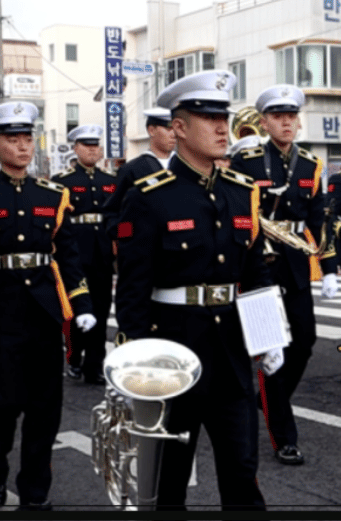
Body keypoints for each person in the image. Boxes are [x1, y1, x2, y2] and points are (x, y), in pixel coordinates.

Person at [115, 70, 279, 510]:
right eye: (209, 119)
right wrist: (137, 364)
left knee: (242, 473)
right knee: (169, 479)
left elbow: (254, 272)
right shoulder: (149, 197)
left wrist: (267, 336)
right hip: (174, 354)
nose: (222, 128)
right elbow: (132, 291)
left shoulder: (241, 192)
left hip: (230, 354)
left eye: (224, 117)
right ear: (180, 128)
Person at [0, 101, 95, 511]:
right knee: (4, 405)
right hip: (2, 312)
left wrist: (81, 302)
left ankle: (35, 491)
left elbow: (68, 256)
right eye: (12, 139)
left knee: (44, 410)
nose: (22, 146)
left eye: (27, 138)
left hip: (45, 313)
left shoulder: (53, 195)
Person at [229, 84, 338, 466]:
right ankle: (284, 437)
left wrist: (328, 269)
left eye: (291, 116)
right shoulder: (247, 159)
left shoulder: (310, 164)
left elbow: (318, 219)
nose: (286, 122)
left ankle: (268, 399)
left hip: (293, 264)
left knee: (304, 340)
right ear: (264, 122)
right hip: (256, 265)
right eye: (278, 117)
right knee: (270, 348)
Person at [51, 123, 116, 386]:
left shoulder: (111, 181)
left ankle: (95, 365)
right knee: (78, 307)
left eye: (95, 146)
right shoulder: (62, 182)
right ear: (76, 149)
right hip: (75, 254)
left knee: (100, 308)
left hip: (102, 253)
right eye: (86, 146)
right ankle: (75, 356)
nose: (92, 150)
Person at [102, 107, 175, 243]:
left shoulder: (182, 166)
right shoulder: (132, 169)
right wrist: (132, 237)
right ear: (151, 130)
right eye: (168, 128)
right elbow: (112, 214)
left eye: (176, 129)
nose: (173, 134)